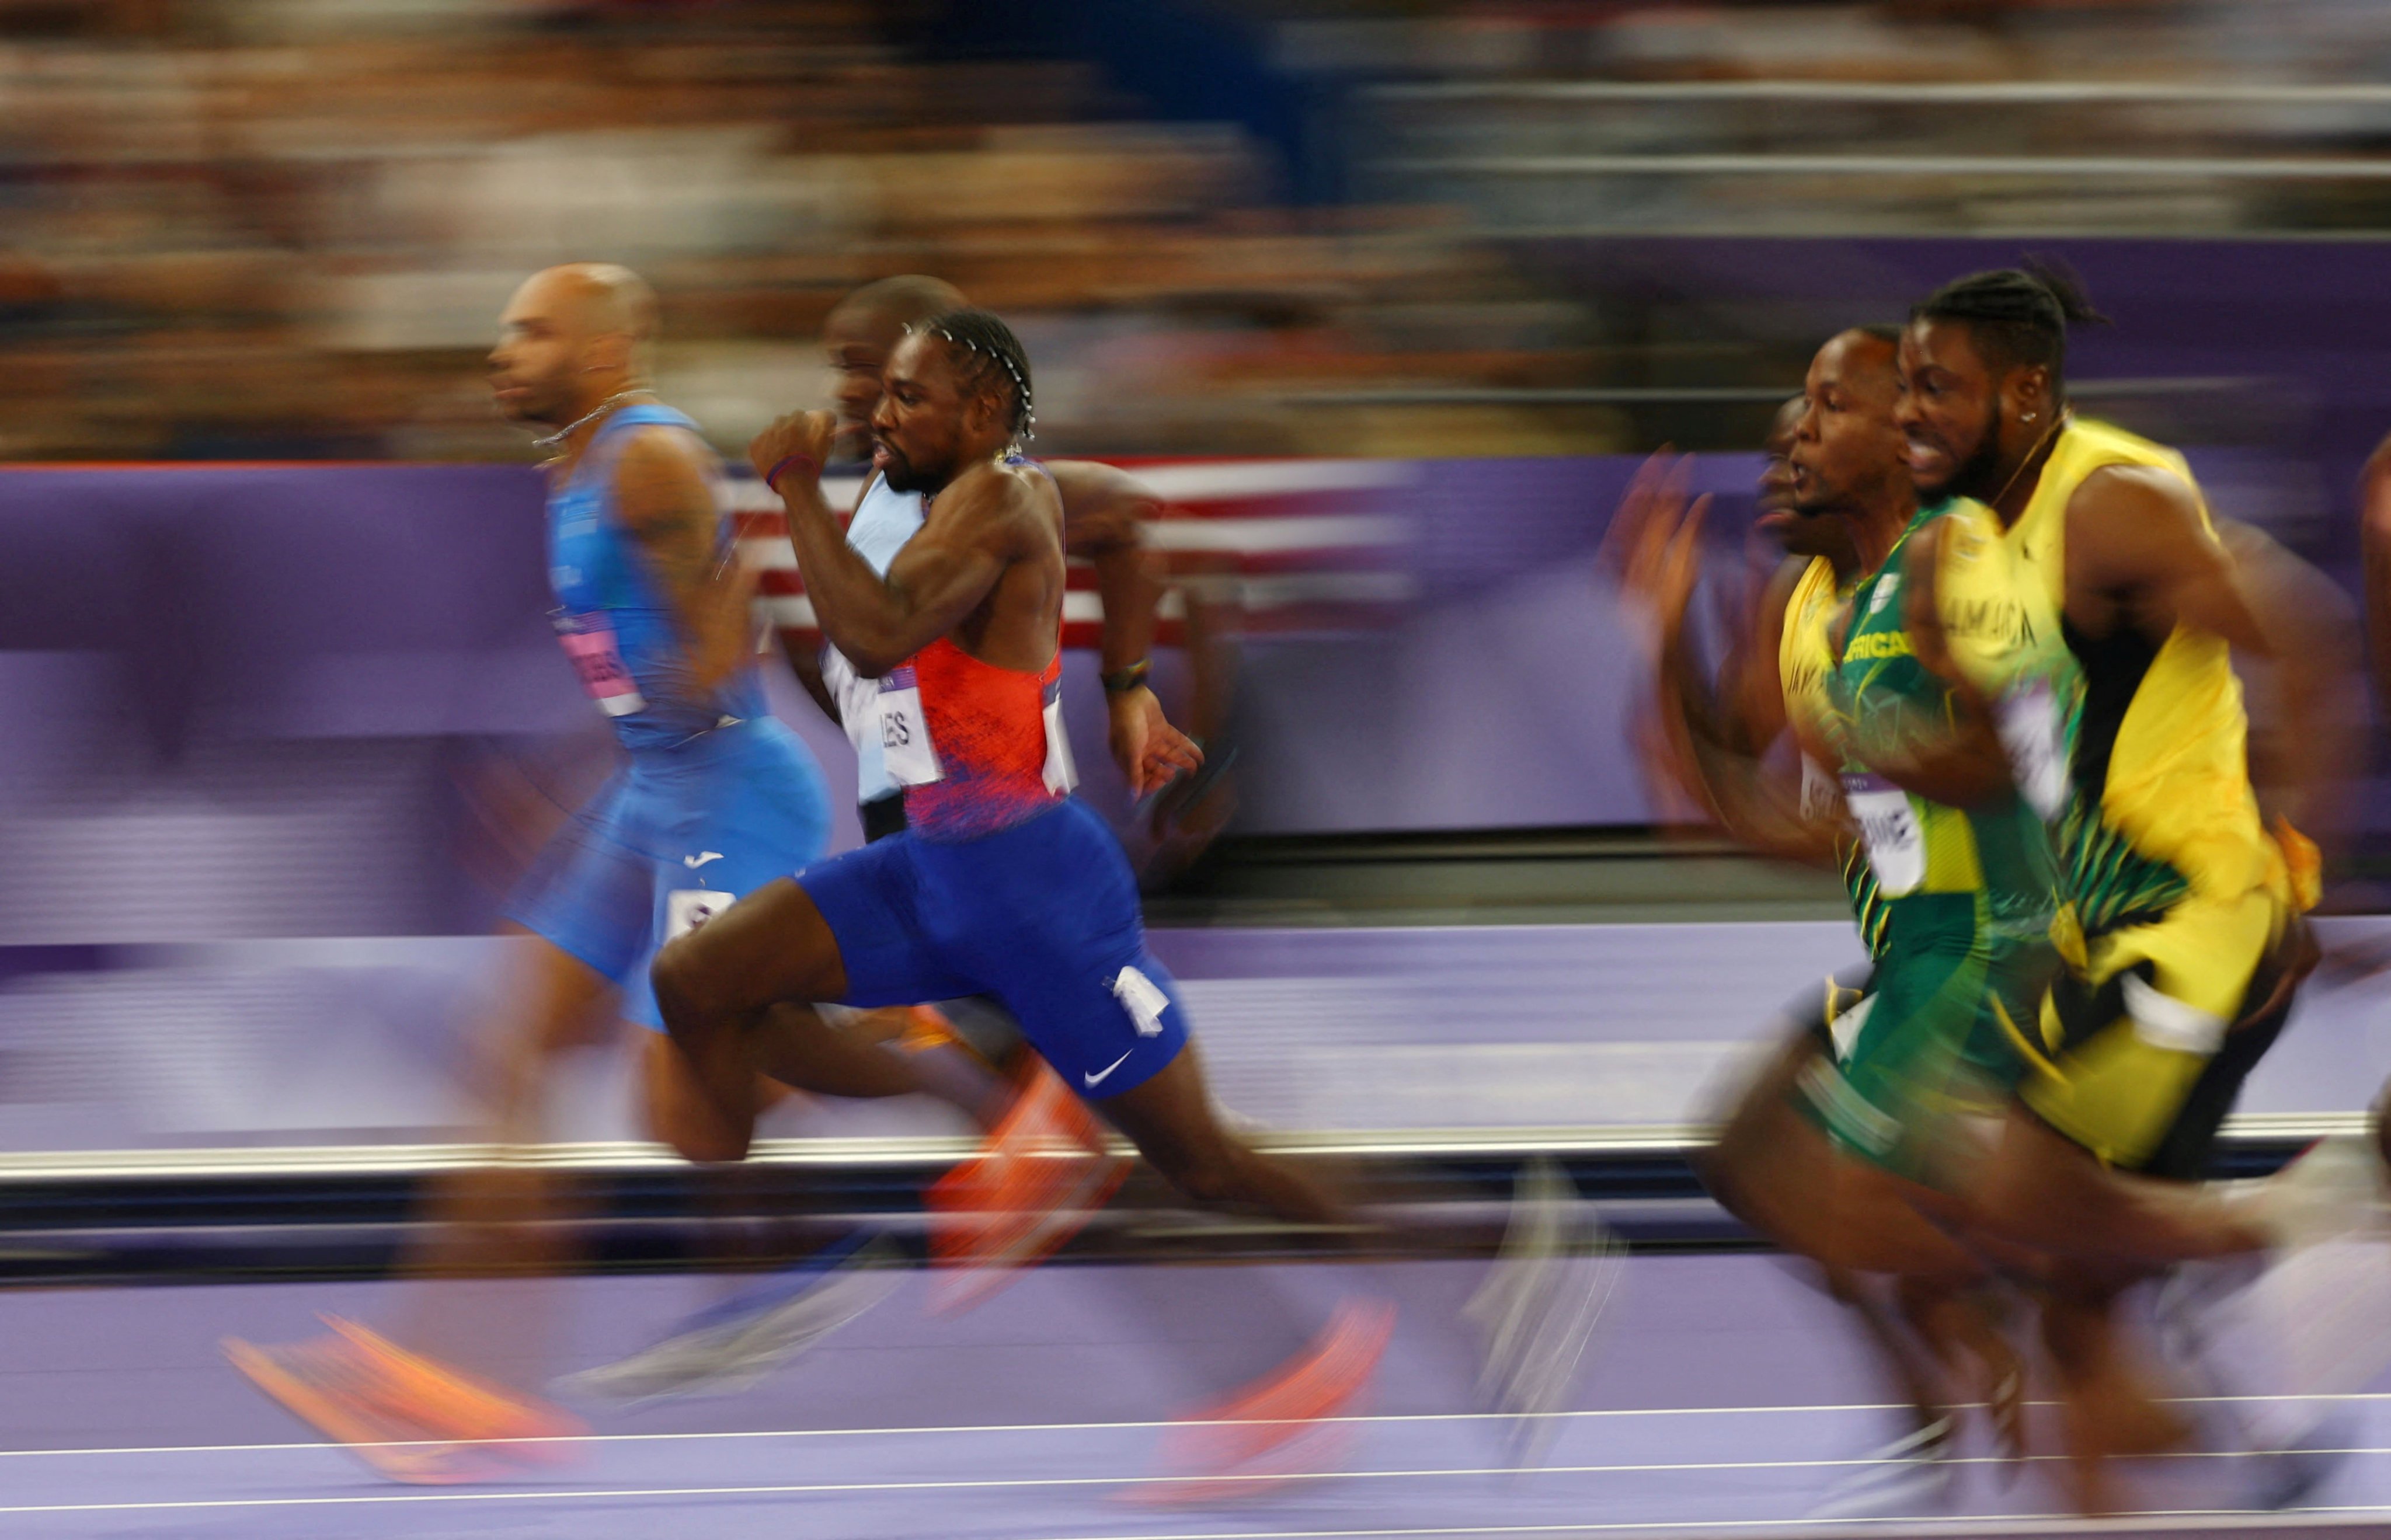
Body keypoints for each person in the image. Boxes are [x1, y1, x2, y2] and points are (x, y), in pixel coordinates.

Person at [653, 308, 1398, 1480]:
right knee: (705, 982)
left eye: (883, 382)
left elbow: (932, 608)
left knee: (1172, 1165)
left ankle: (1323, 1340)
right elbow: (860, 663)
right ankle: (1265, 1367)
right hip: (924, 862)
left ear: (973, 404)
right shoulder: (893, 499)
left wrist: (1137, 690)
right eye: (856, 380)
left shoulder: (995, 493)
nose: (860, 403)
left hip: (1016, 883)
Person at [223, 264, 932, 1483]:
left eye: (533, 332)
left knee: (674, 1096)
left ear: (606, 353)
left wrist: (600, 763)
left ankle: (926, 1044)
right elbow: (643, 672)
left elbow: (720, 651)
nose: (503, 351)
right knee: (510, 1056)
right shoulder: (567, 470)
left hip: (725, 791)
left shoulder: (650, 460)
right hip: (653, 790)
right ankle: (458, 1380)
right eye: (502, 330)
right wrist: (568, 780)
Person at [1894, 263, 2376, 1507]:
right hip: (2091, 926)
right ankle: (2231, 1404)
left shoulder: (2111, 502)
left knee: (1999, 1186)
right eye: (1903, 382)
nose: (1909, 409)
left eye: (1934, 385)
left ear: (2022, 390)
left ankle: (2290, 1224)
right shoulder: (1966, 542)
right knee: (2068, 1291)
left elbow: (2310, 637)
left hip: (2192, 928)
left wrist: (2297, 880)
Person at [1613, 335, 2036, 1513]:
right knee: (1747, 1157)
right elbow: (1726, 810)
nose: (1784, 443)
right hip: (1915, 947)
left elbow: (2020, 743)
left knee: (1845, 1192)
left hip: (2006, 934)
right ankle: (1935, 1395)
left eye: (1816, 415)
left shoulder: (1947, 567)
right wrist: (1662, 632)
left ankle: (2031, 1306)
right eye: (1784, 423)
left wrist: (1878, 763)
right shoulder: (1810, 612)